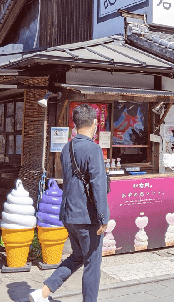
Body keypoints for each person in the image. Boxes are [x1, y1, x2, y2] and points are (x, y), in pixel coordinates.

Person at [30, 104, 110, 302]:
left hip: (68, 214)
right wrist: (103, 217)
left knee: (77, 257)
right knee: (92, 263)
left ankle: (43, 292)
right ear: (94, 124)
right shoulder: (93, 149)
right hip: (87, 216)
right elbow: (98, 185)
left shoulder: (67, 148)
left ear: (75, 124)